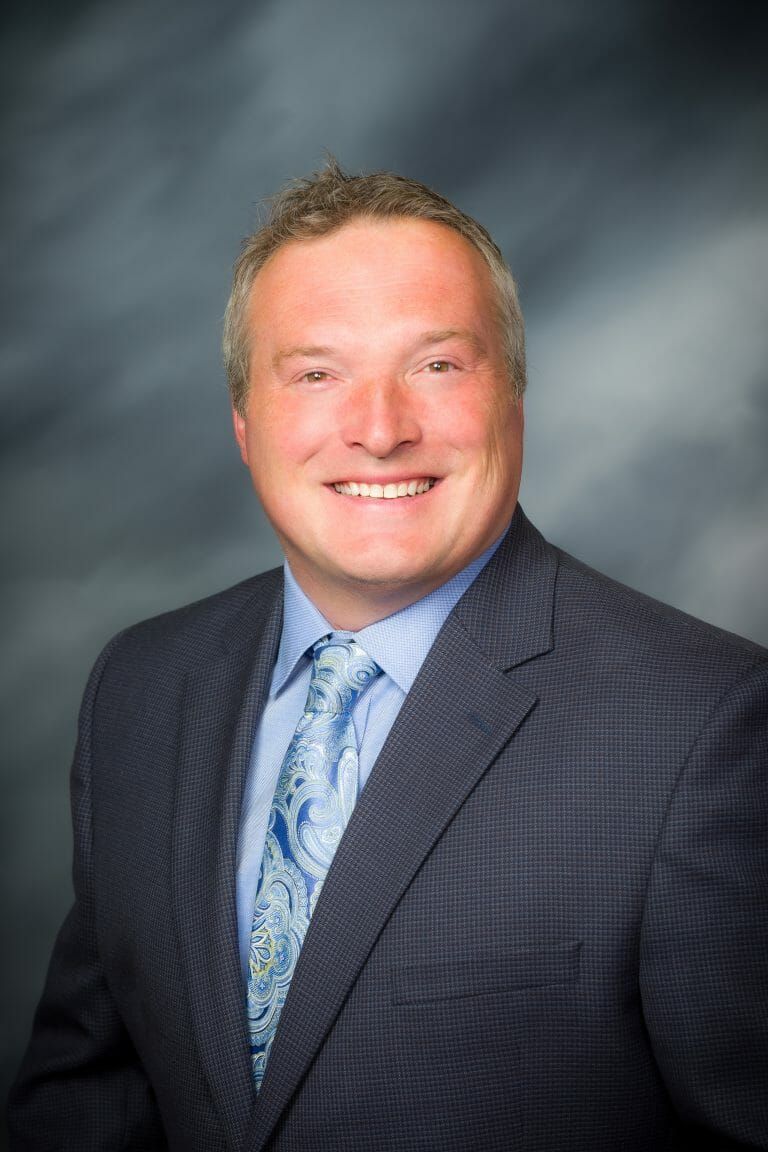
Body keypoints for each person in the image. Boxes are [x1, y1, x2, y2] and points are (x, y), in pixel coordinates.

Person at [8, 160, 768, 1151]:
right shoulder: (141, 691)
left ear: (515, 400)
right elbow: (86, 1106)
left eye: (437, 365)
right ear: (245, 423)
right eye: (318, 372)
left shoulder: (705, 726)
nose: (379, 430)